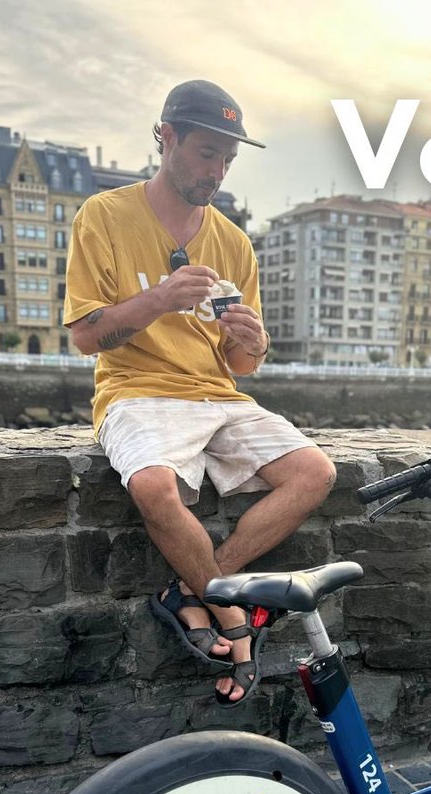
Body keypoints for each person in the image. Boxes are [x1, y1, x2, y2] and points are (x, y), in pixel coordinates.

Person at [64, 80, 336, 708]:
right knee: (153, 487)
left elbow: (240, 366)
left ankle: (199, 594)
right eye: (206, 153)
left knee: (314, 473)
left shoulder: (234, 242)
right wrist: (160, 297)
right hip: (136, 389)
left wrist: (254, 340)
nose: (216, 172)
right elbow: (85, 337)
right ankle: (235, 620)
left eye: (227, 161)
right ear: (166, 138)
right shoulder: (104, 216)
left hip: (216, 396)